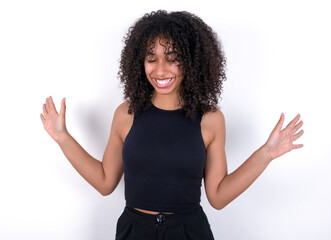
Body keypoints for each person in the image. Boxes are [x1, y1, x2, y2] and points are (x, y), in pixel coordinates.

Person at [40, 10, 304, 240]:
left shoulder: (211, 120)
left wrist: (266, 154)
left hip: (189, 231)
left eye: (172, 57)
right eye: (151, 58)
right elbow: (105, 182)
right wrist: (63, 138)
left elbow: (218, 196)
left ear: (190, 61)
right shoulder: (126, 114)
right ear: (139, 62)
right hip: (134, 231)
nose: (160, 69)